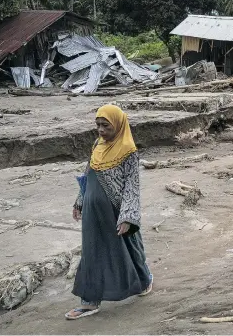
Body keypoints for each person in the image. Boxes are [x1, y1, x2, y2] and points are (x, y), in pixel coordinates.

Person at [66, 105, 153, 320]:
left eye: (106, 126)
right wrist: (79, 202)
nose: (101, 130)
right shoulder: (97, 145)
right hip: (92, 213)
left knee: (130, 247)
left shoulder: (129, 151)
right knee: (91, 250)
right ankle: (89, 301)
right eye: (98, 125)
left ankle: (144, 280)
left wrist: (128, 217)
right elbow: (88, 176)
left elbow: (132, 186)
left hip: (116, 211)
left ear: (119, 125)